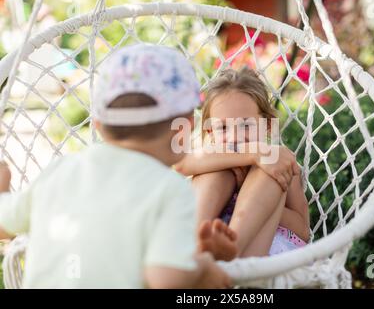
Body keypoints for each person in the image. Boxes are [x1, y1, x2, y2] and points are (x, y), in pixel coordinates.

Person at [0, 44, 236, 288]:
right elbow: (167, 279)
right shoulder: (170, 189)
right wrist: (205, 268)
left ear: (99, 125)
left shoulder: (61, 170)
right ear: (184, 128)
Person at [175, 67, 310, 258]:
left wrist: (256, 200)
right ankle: (187, 245)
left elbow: (303, 230)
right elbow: (181, 164)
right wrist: (252, 153)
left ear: (268, 126)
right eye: (222, 127)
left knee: (270, 166)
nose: (234, 137)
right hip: (206, 236)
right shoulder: (211, 154)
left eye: (246, 125)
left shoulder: (281, 161)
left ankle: (231, 248)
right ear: (210, 133)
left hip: (258, 249)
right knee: (217, 170)